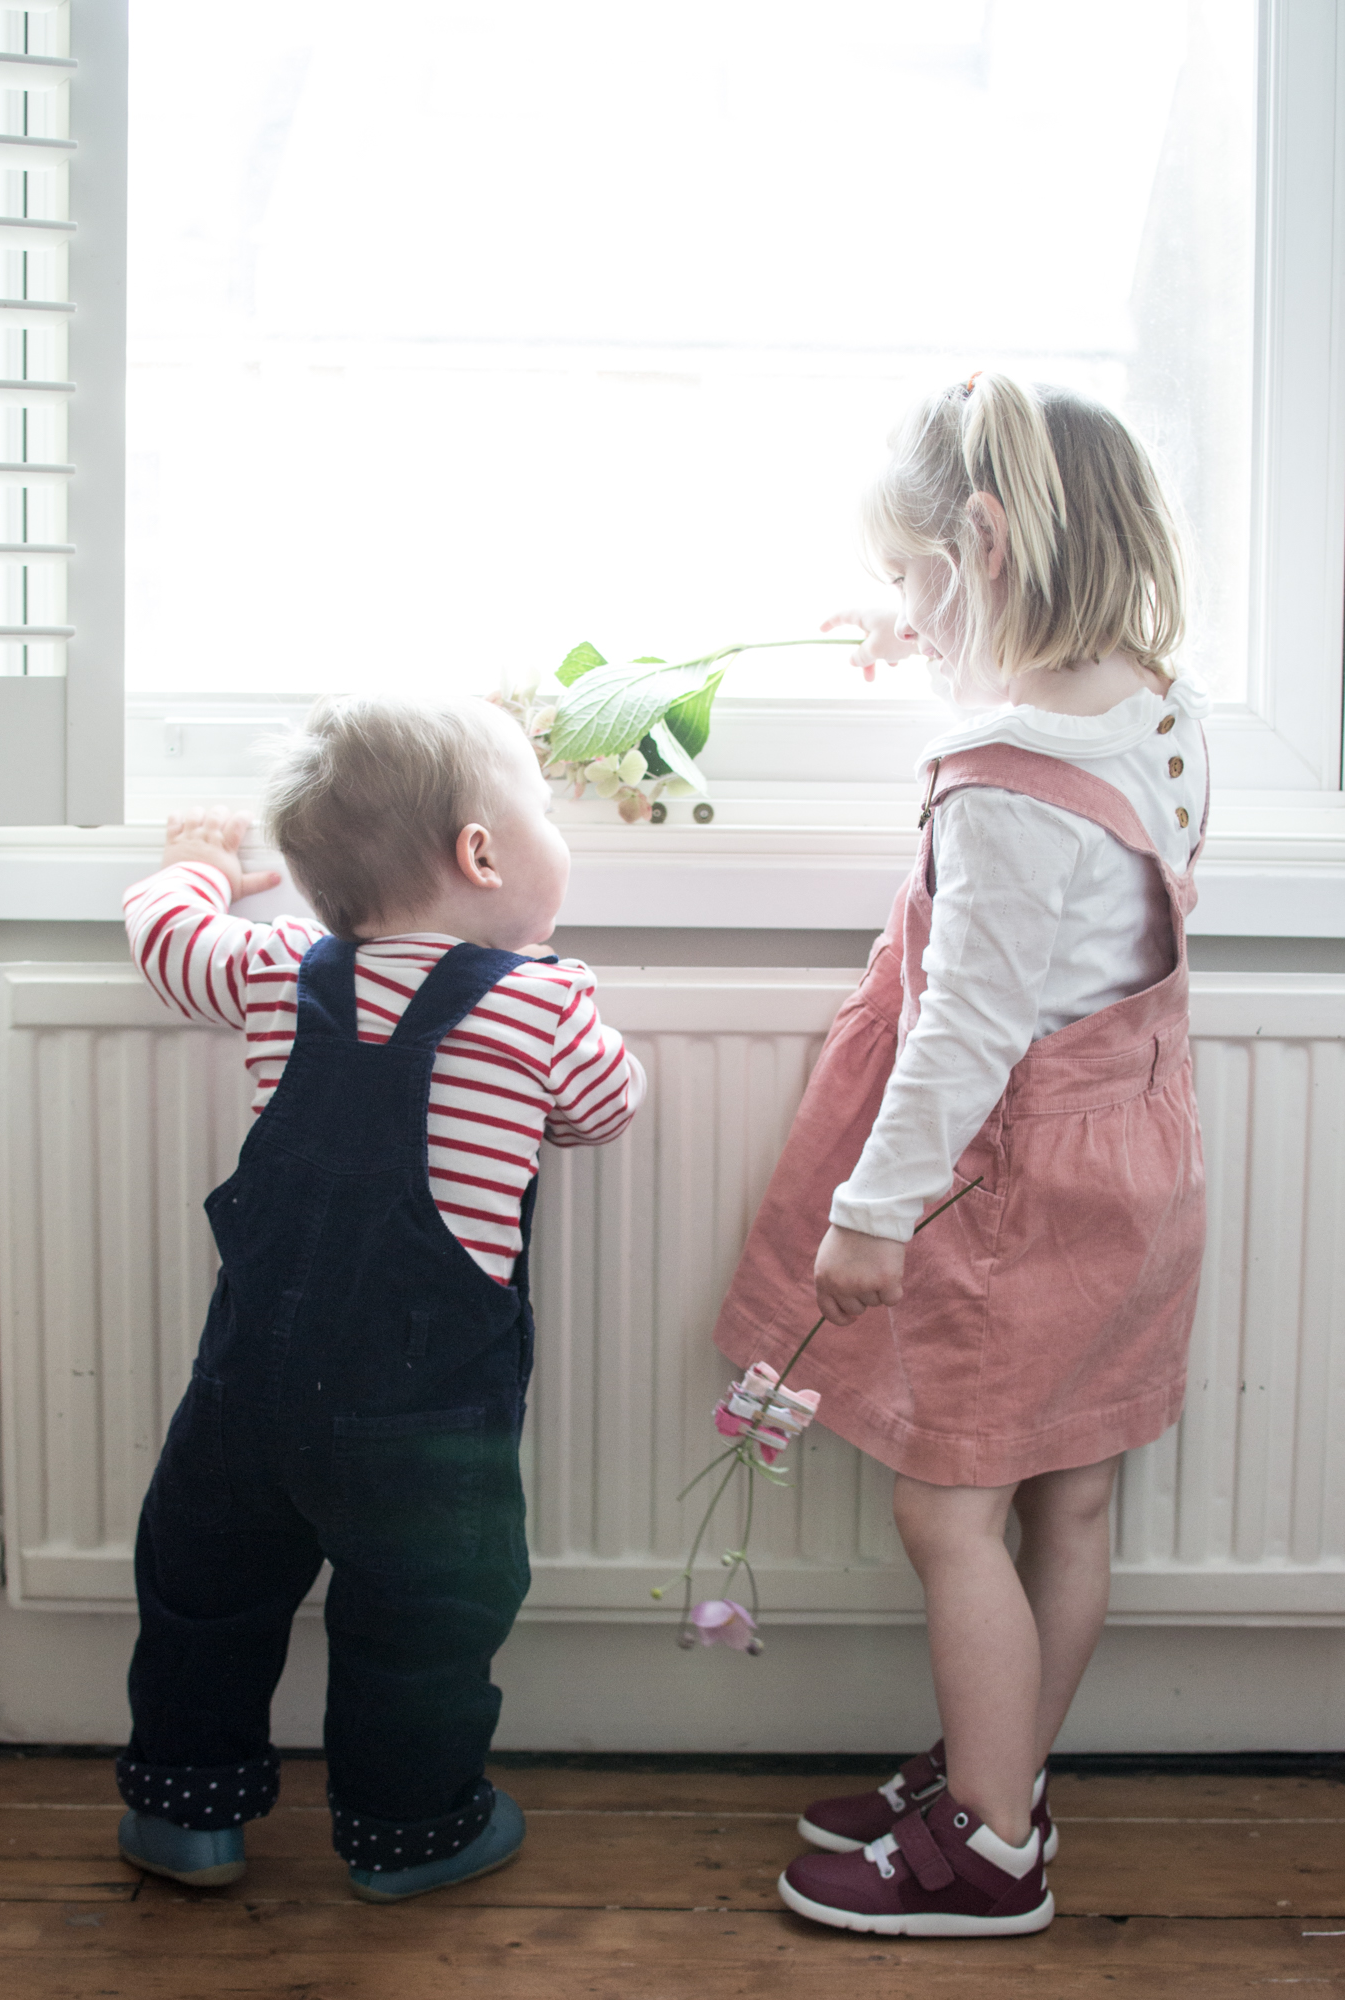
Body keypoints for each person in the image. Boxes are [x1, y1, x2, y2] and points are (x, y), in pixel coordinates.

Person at [714, 373, 1208, 1937]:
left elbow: (965, 1026)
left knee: (944, 1514)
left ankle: (986, 1850)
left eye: (908, 583)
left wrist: (869, 1214)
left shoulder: (999, 779)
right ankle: (1006, 1777)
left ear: (980, 544)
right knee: (1067, 1503)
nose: (905, 618)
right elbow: (1075, 921)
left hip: (1008, 1192)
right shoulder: (1152, 706)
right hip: (1130, 1162)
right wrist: (933, 650)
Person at [114, 695, 644, 1900]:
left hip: (246, 1393)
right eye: (547, 814)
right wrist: (559, 1010)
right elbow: (605, 1109)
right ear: (481, 855)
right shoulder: (539, 1001)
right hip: (424, 1425)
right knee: (424, 1625)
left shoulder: (269, 964)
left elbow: (161, 936)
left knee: (203, 1595)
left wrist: (191, 868)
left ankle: (182, 1815)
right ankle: (410, 1831)